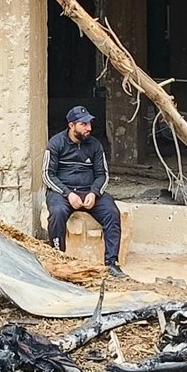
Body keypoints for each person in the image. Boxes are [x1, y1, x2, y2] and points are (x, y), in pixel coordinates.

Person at [42, 106, 126, 278]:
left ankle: (111, 263)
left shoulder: (95, 145)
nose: (89, 128)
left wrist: (94, 193)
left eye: (89, 124)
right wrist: (67, 193)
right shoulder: (56, 143)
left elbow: (103, 174)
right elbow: (47, 175)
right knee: (57, 213)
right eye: (84, 124)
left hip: (89, 192)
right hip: (63, 192)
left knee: (112, 213)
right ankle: (58, 259)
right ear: (71, 126)